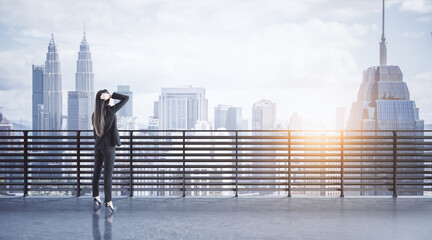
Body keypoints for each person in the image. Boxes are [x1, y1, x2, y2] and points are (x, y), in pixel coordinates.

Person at [92, 89, 129, 213]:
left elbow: (95, 134)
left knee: (96, 172)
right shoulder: (111, 111)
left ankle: (96, 196)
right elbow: (126, 98)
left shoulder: (94, 114)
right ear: (107, 98)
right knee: (107, 175)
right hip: (109, 148)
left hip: (98, 147)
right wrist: (112, 95)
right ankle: (109, 201)